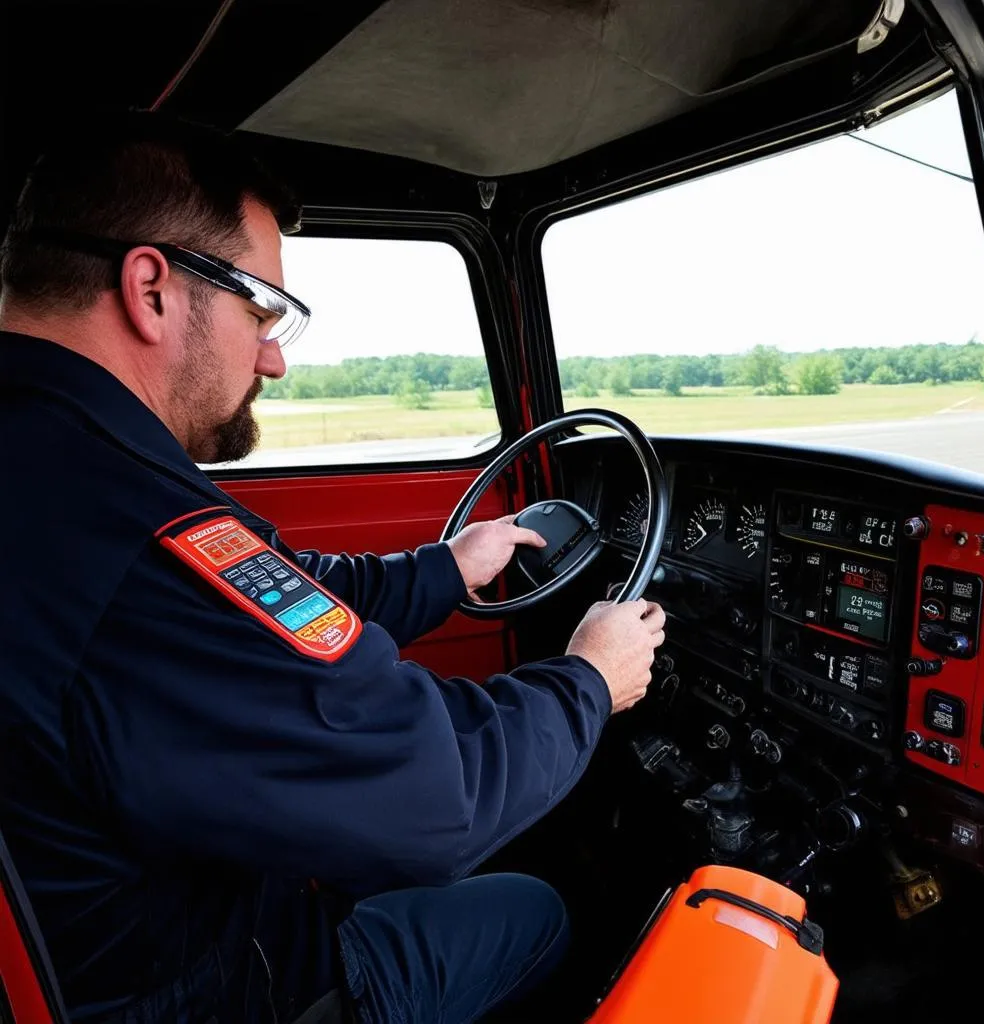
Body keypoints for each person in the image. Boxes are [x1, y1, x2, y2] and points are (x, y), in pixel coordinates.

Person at [0, 110, 665, 1024]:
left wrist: (445, 570)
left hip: (133, 933)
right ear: (151, 288)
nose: (273, 356)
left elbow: (270, 604)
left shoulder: (56, 464)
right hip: (218, 988)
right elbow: (438, 799)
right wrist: (590, 681)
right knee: (540, 911)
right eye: (261, 308)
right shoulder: (125, 534)